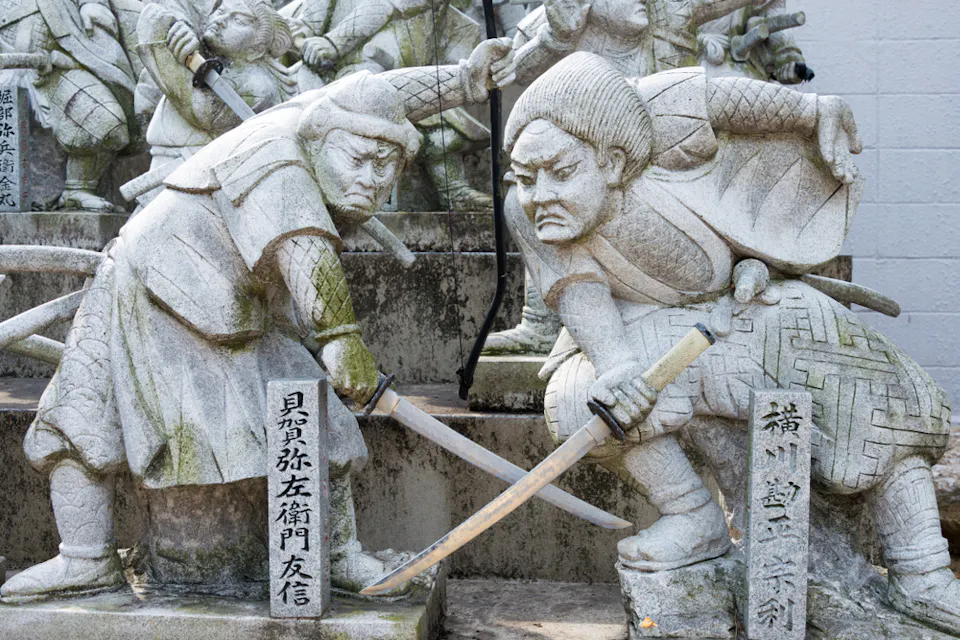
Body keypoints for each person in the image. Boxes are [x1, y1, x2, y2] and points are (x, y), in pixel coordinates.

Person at [0, 37, 514, 602]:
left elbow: (379, 92)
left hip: (232, 306)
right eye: (360, 160)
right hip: (142, 282)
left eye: (386, 165)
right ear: (325, 143)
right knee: (81, 416)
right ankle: (84, 558)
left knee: (315, 413)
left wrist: (464, 79)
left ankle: (338, 554)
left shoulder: (310, 114)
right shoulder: (281, 161)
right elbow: (306, 251)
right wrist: (341, 339)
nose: (372, 178)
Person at [502, 52, 959, 635]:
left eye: (560, 172)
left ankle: (923, 571)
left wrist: (810, 111)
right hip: (644, 333)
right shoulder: (530, 210)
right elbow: (578, 291)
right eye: (524, 176)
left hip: (749, 307)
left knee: (854, 371)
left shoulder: (654, 119)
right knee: (580, 396)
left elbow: (722, 102)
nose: (540, 194)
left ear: (611, 161)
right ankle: (692, 514)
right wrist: (615, 365)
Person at [134, 0, 297, 202]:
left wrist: (156, 44)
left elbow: (199, 110)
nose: (220, 21)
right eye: (221, 11)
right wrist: (178, 29)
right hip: (172, 170)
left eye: (237, 20)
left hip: (199, 183)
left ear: (257, 49)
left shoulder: (258, 85)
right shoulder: (210, 58)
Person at [0, 0, 143, 211]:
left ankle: (78, 188)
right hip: (6, 70)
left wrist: (92, 4)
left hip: (54, 68)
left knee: (109, 125)